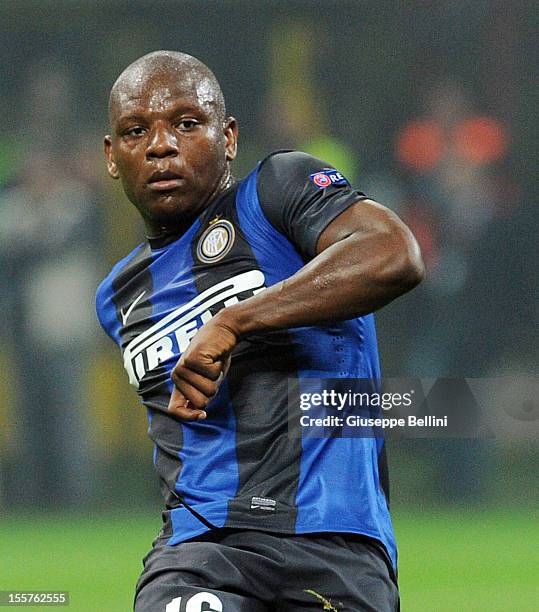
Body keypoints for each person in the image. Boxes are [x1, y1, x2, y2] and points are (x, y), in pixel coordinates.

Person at [96, 50, 424, 612]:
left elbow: (395, 253)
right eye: (135, 130)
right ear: (111, 155)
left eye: (186, 123)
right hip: (201, 550)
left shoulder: (277, 191)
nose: (159, 145)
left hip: (333, 540)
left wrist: (234, 321)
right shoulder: (117, 297)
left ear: (228, 137)